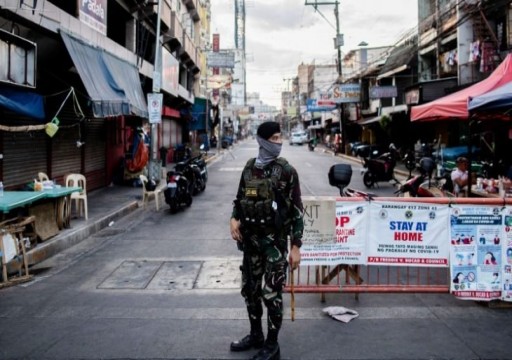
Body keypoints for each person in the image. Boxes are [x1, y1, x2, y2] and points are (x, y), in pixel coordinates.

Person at [229, 121, 304, 360]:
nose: (278, 142)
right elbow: (239, 200)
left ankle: (272, 345)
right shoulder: (249, 169)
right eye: (273, 138)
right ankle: (256, 335)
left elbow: (297, 212)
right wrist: (233, 220)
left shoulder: (287, 171)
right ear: (261, 141)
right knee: (250, 292)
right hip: (250, 244)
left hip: (274, 247)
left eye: (280, 138)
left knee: (271, 294)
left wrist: (296, 247)